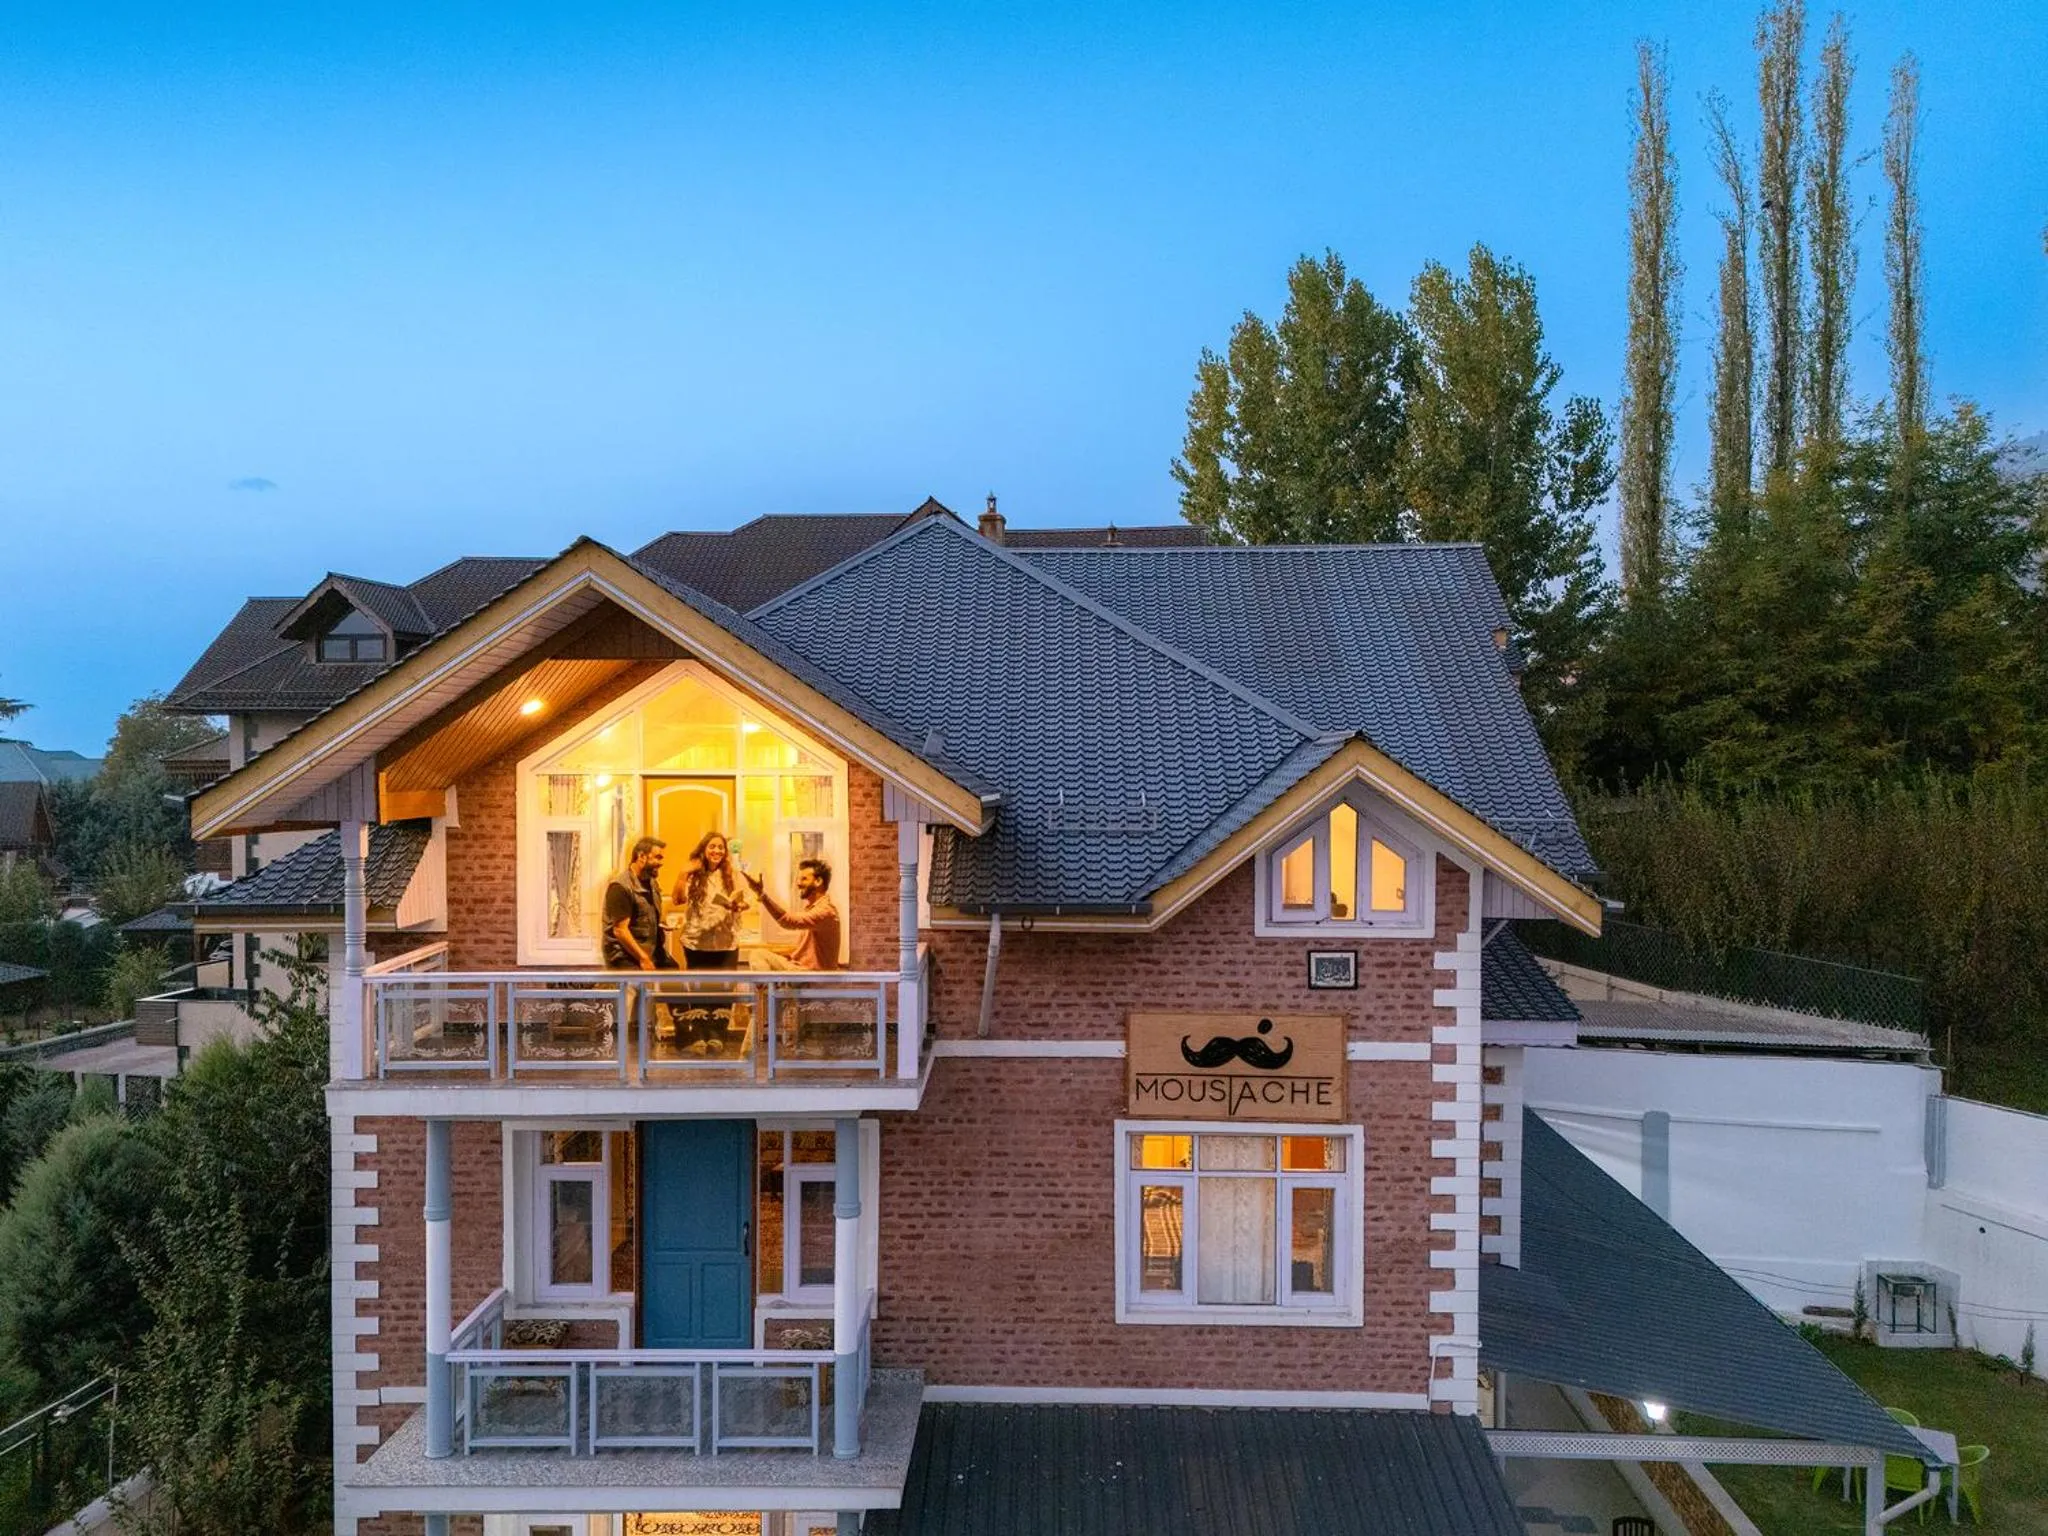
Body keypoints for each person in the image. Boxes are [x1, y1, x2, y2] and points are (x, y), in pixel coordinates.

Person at [742, 856, 842, 971]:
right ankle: (769, 988)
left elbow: (788, 921)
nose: (798, 883)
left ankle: (768, 988)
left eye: (804, 879)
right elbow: (805, 950)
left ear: (818, 881)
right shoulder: (813, 908)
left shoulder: (825, 911)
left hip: (811, 975)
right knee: (759, 954)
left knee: (758, 955)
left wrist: (762, 895)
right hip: (800, 969)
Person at [670, 830, 749, 969]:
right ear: (703, 849)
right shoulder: (693, 874)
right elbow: (677, 900)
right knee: (699, 989)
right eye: (712, 846)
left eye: (721, 847)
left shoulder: (733, 874)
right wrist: (683, 873)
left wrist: (739, 906)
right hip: (696, 943)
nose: (717, 851)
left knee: (727, 988)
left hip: (726, 942)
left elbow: (747, 900)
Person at [601, 836, 670, 972]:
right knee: (636, 989)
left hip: (650, 950)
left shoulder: (652, 883)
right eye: (657, 857)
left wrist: (661, 924)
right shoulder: (620, 887)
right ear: (641, 856)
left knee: (673, 976)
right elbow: (620, 931)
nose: (660, 863)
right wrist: (643, 958)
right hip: (624, 956)